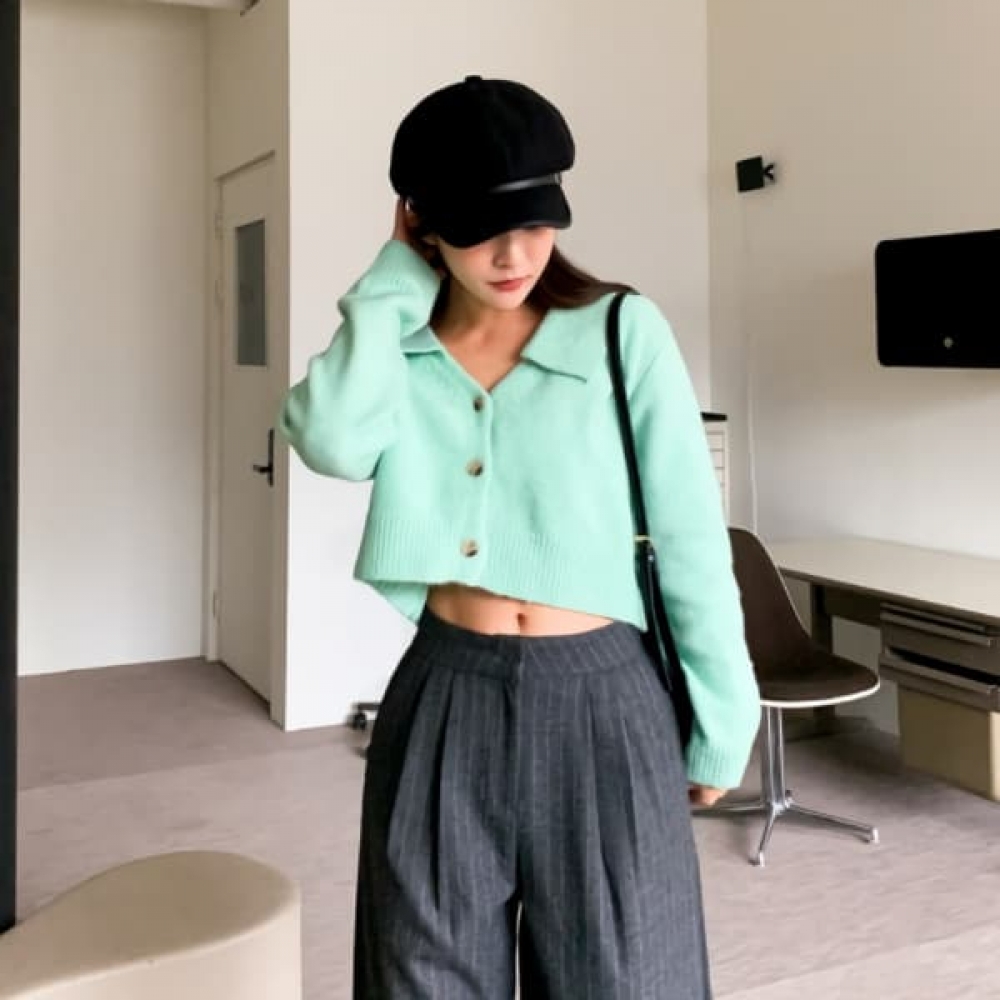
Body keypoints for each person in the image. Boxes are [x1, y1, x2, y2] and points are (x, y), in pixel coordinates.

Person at [280, 75, 760, 1000]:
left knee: (627, 976)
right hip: (445, 690)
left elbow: (692, 539)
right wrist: (389, 287)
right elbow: (331, 443)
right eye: (478, 229)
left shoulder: (620, 331)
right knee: (419, 974)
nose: (513, 254)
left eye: (535, 222)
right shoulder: (395, 348)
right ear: (421, 223)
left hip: (604, 696)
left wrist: (722, 718)